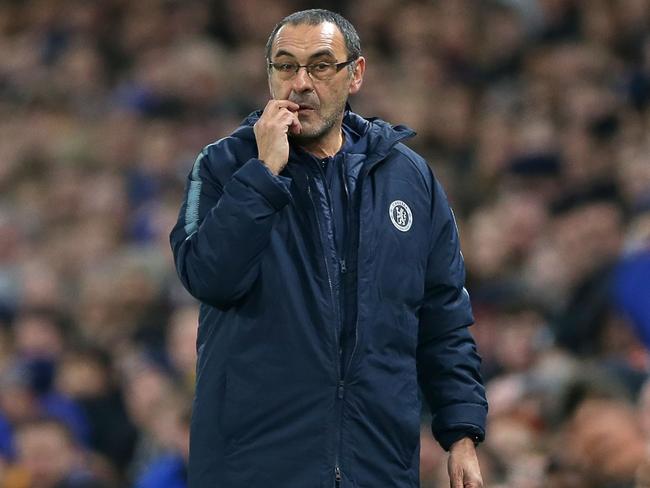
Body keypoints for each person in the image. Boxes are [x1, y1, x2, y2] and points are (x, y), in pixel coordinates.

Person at [170, 8, 487, 488]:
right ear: (270, 75)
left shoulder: (408, 177)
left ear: (354, 74)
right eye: (285, 66)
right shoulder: (224, 165)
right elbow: (209, 277)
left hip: (377, 464)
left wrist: (461, 434)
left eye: (320, 66)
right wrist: (263, 175)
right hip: (255, 467)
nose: (300, 83)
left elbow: (442, 316)